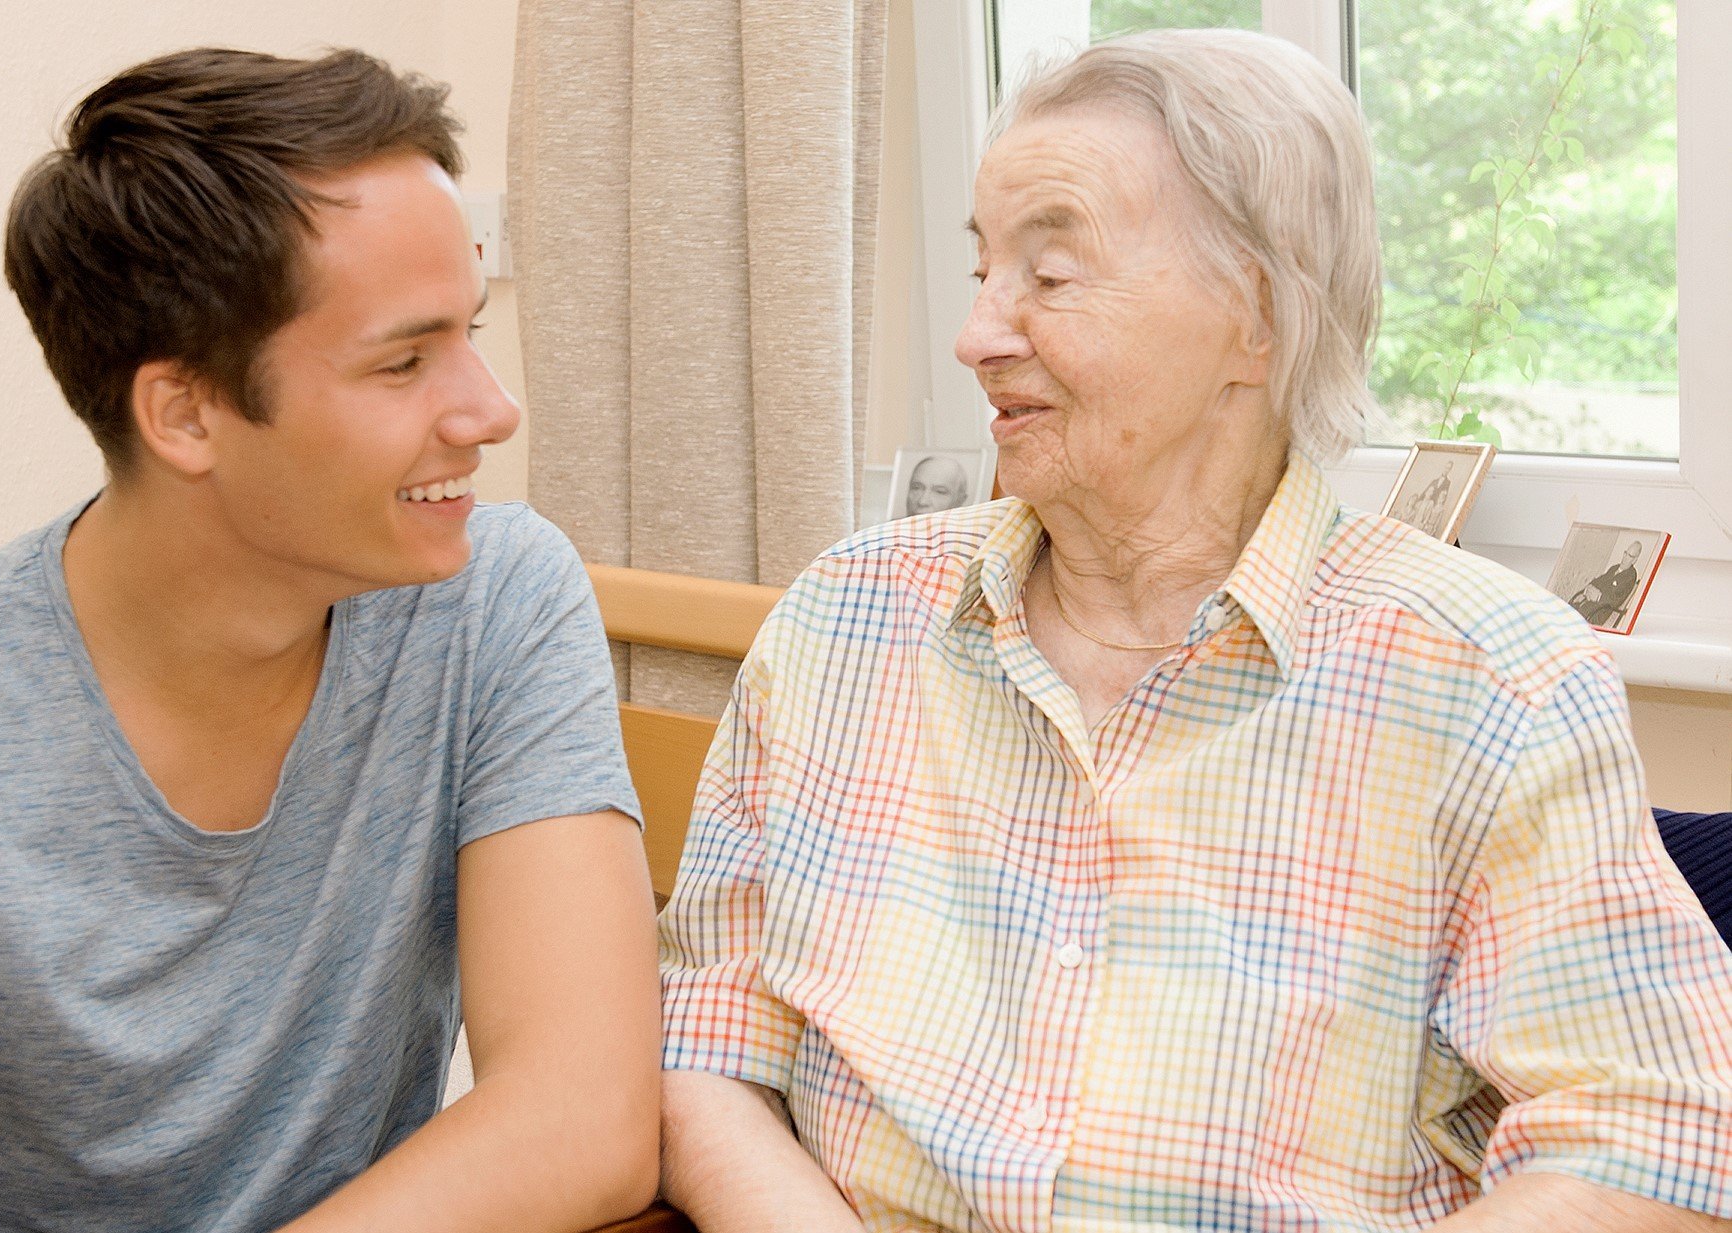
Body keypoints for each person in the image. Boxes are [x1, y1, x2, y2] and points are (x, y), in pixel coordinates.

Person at [655, 29, 1732, 1233]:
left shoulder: (1493, 684)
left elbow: (1652, 1144)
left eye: (1049, 277)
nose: (976, 335)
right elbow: (708, 1040)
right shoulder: (844, 620)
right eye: (981, 274)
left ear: (1254, 316)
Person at [0, 49, 659, 1233]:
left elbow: (583, 1117)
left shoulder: (493, 599)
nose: (490, 410)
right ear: (186, 412)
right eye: (405, 361)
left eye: (468, 329)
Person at [1571, 539, 1645, 626]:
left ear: (1635, 560)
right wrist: (1588, 589)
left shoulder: (1630, 576)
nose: (1625, 557)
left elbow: (1616, 601)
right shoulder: (1614, 568)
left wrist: (1599, 597)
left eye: (1629, 556)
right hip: (1588, 603)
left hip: (1599, 612)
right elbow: (1598, 581)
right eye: (1625, 553)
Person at [903, 455, 973, 517]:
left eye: (939, 492)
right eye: (916, 488)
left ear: (960, 501)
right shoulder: (892, 528)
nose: (922, 502)